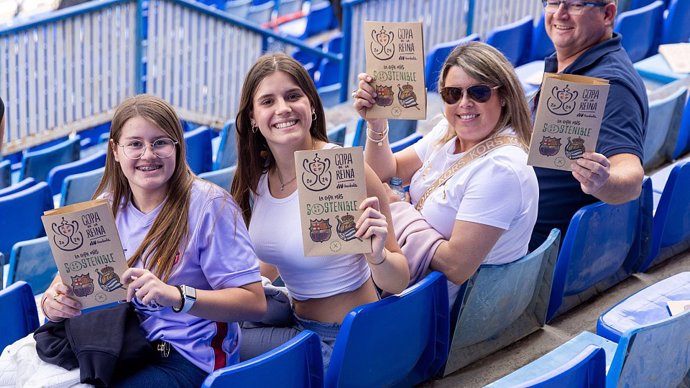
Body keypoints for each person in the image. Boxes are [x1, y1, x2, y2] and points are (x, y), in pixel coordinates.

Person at [40, 94, 267, 386]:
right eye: (135, 144)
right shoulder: (104, 206)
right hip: (121, 345)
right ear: (115, 150)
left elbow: (253, 302)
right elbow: (63, 281)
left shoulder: (211, 206)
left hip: (187, 357)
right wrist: (52, 304)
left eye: (160, 142)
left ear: (177, 147)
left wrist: (174, 296)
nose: (148, 154)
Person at [231, 53, 409, 368]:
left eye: (292, 96)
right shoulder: (258, 181)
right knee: (206, 334)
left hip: (346, 339)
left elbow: (398, 281)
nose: (283, 109)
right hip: (296, 326)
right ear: (252, 120)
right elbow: (279, 253)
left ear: (312, 105)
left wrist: (377, 255)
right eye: (268, 101)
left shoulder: (348, 169)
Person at [353, 41, 539, 306]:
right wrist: (377, 124)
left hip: (447, 312)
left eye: (479, 92)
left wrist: (398, 212)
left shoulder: (502, 169)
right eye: (452, 94)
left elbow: (456, 266)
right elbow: (385, 171)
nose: (464, 104)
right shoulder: (449, 131)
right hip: (415, 285)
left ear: (504, 95)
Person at [529, 0, 647, 250]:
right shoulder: (575, 65)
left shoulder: (611, 86)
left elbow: (632, 178)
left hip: (536, 248)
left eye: (575, 5)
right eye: (553, 2)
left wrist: (602, 181)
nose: (560, 13)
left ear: (608, 13)